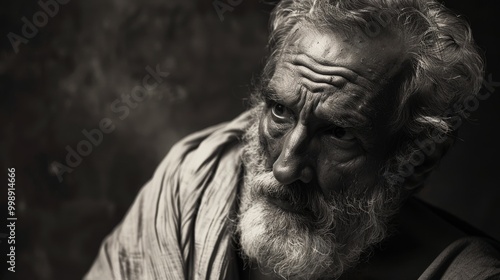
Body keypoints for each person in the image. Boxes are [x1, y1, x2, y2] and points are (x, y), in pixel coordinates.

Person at [85, 0, 500, 279]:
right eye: (280, 111)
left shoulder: (465, 273)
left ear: (419, 158)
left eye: (339, 133)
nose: (285, 167)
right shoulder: (192, 184)